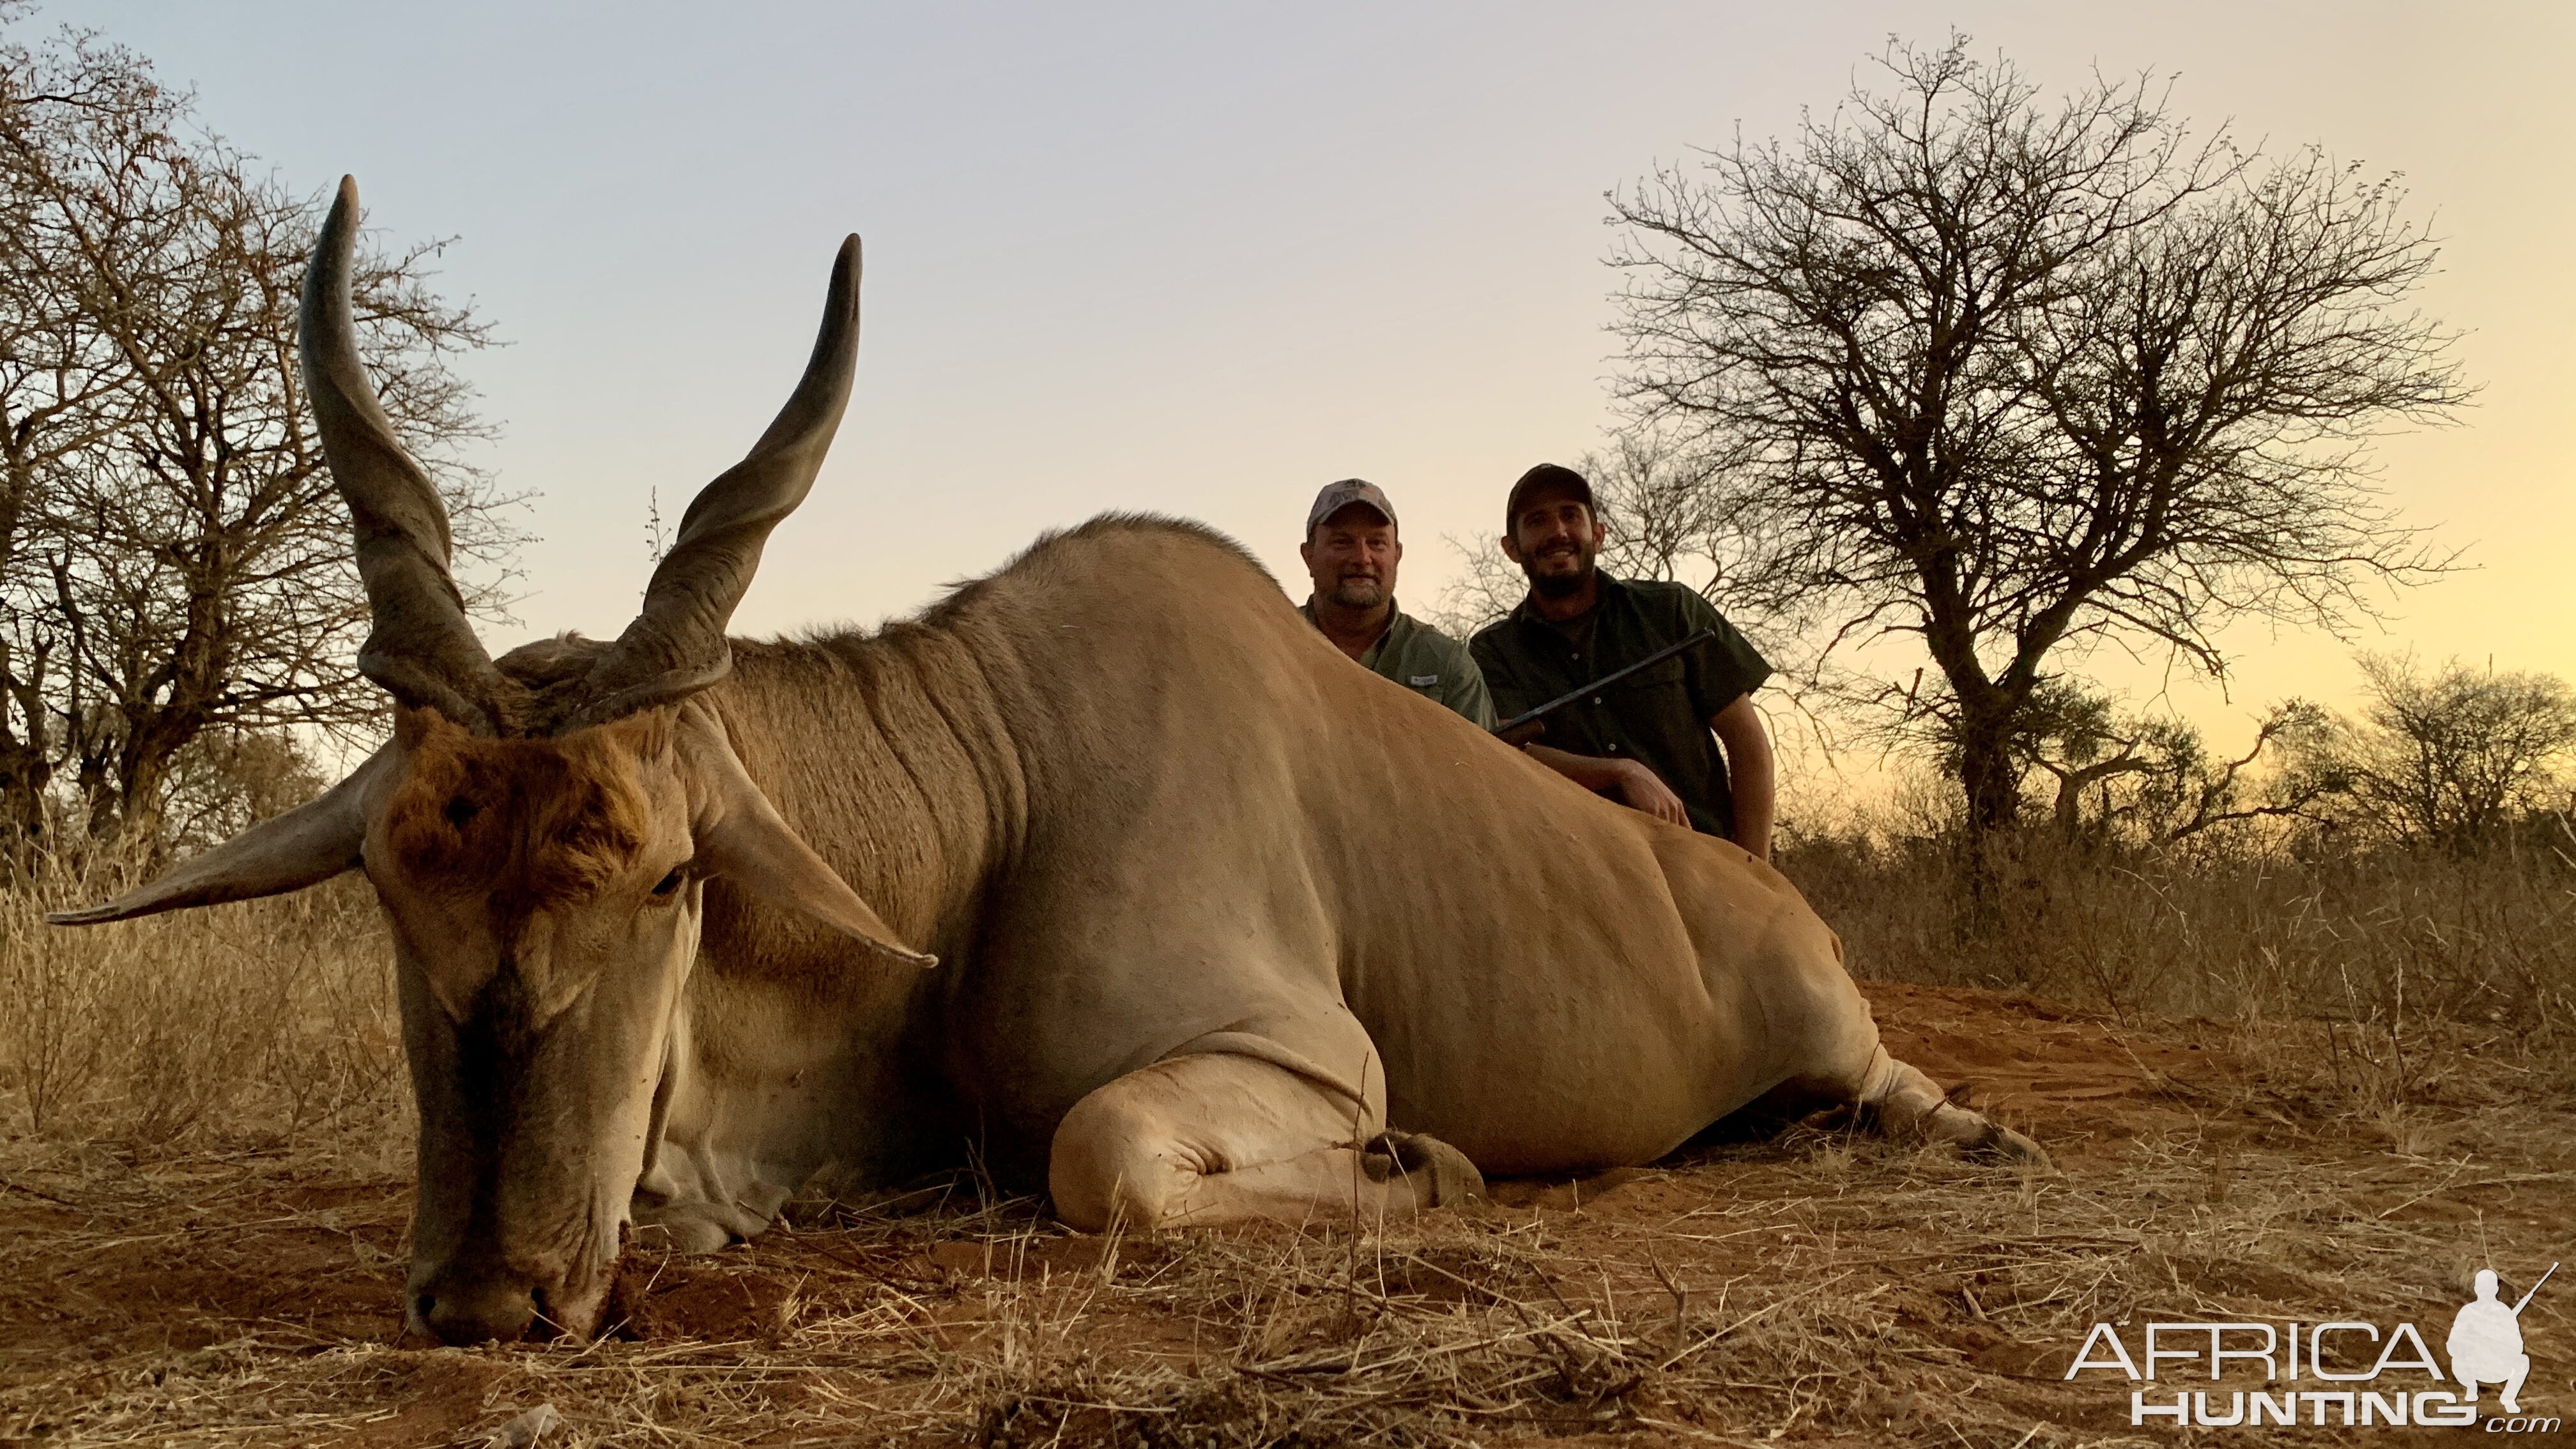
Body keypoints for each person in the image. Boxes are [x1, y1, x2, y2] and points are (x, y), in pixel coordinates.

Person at [1469, 463, 1776, 857]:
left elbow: (1746, 741)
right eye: (1537, 520)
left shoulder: (1672, 609)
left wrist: (1755, 869)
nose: (1558, 531)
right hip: (1583, 873)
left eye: (1570, 515)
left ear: (1598, 534)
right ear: (1512, 548)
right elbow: (1509, 753)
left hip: (1707, 864)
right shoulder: (1493, 651)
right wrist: (1620, 771)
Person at [1298, 479, 1496, 730]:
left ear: (1397, 555)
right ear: (1309, 556)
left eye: (1377, 543)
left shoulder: (1447, 663)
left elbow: (1480, 767)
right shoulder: (1267, 644)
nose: (1362, 558)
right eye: (1342, 542)